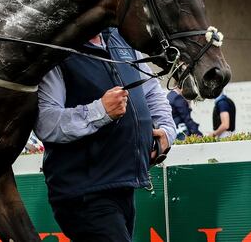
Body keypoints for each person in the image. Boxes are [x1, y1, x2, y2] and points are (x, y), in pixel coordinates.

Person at [35, 28, 177, 242]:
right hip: (84, 195)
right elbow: (46, 123)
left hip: (123, 186)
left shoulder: (122, 40)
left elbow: (152, 92)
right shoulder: (57, 50)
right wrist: (100, 110)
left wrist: (167, 131)